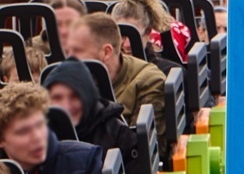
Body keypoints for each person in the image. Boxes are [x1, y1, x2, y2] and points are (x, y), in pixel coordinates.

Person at [42, 59, 149, 174]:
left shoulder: (116, 133)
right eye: (57, 98)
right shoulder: (39, 137)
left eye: (74, 96)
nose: (66, 106)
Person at [66, 13, 168, 162]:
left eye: (77, 51)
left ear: (106, 52)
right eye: (68, 51)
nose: (70, 58)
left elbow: (148, 153)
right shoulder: (65, 82)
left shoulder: (147, 81)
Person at [111, 0, 193, 74]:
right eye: (121, 35)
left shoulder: (170, 73)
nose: (126, 45)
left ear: (148, 32)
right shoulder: (105, 73)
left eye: (133, 36)